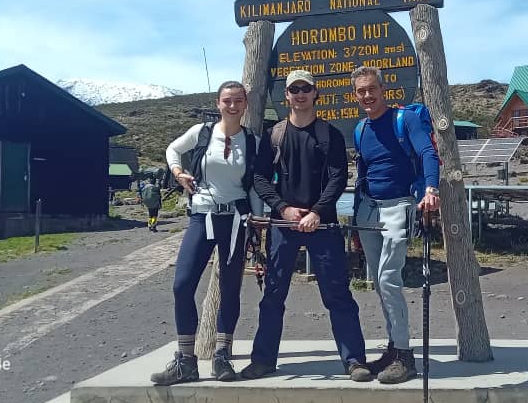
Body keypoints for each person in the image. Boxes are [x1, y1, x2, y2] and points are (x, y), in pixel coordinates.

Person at [240, 69, 372, 382]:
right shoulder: (274, 136)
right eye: (294, 89)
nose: (300, 94)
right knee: (273, 294)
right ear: (286, 95)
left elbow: (339, 177)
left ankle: (354, 361)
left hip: (322, 227)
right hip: (282, 226)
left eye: (306, 89)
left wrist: (317, 212)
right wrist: (283, 209)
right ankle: (263, 360)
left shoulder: (330, 135)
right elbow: (259, 178)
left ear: (315, 94)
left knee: (337, 294)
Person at [150, 80, 258, 385]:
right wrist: (178, 172)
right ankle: (186, 359)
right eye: (227, 100)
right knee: (182, 285)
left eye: (238, 100)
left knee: (231, 287)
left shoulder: (253, 141)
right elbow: (173, 149)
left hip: (236, 220)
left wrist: (259, 219)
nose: (233, 105)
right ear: (218, 103)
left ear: (245, 104)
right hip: (202, 216)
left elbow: (256, 184)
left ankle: (222, 356)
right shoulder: (202, 133)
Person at [349, 66, 440, 384]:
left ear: (383, 89)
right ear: (356, 94)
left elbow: (428, 151)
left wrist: (431, 189)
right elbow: (363, 169)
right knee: (377, 280)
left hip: (399, 205)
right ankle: (393, 347)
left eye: (372, 88)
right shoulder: (360, 129)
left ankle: (404, 355)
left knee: (389, 278)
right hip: (369, 211)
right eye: (361, 91)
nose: (367, 95)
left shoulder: (405, 119)